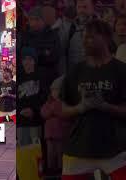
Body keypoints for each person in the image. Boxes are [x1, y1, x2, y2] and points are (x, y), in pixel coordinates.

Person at [61, 20, 126, 180]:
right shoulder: (76, 71)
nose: (85, 41)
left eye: (90, 37)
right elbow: (62, 109)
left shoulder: (121, 70)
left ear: (105, 38)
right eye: (84, 37)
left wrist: (106, 106)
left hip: (115, 149)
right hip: (79, 148)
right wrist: (80, 108)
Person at [41, 76, 69, 175]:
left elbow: (64, 114)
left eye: (57, 90)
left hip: (61, 132)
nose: (55, 92)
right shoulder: (48, 102)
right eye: (53, 90)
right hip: (49, 133)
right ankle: (51, 169)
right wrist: (52, 111)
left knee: (60, 152)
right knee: (50, 152)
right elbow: (44, 113)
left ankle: (60, 169)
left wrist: (54, 111)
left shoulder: (64, 102)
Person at [18, 47, 44, 146]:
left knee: (36, 151)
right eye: (24, 59)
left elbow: (44, 97)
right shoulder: (20, 78)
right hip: (21, 122)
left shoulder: (41, 77)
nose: (27, 62)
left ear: (34, 61)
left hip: (36, 121)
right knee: (23, 150)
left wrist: (34, 110)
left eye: (30, 59)